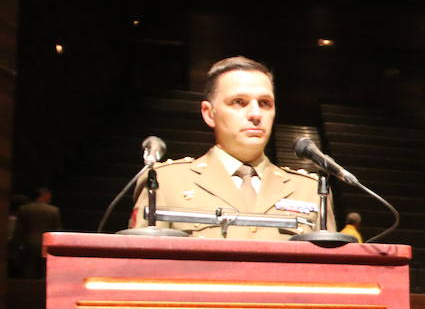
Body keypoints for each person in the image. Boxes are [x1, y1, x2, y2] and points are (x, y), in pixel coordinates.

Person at [130, 56, 330, 239]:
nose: (255, 114)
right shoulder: (165, 181)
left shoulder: (309, 190)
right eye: (238, 102)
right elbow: (141, 267)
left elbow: (334, 272)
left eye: (264, 103)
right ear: (209, 113)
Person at [14, 187, 61, 278]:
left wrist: (17, 244)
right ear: (44, 195)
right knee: (45, 272)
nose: (50, 197)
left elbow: (19, 229)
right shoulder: (53, 210)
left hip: (28, 242)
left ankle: (27, 290)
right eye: (49, 195)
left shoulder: (24, 209)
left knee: (28, 271)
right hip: (46, 244)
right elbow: (56, 229)